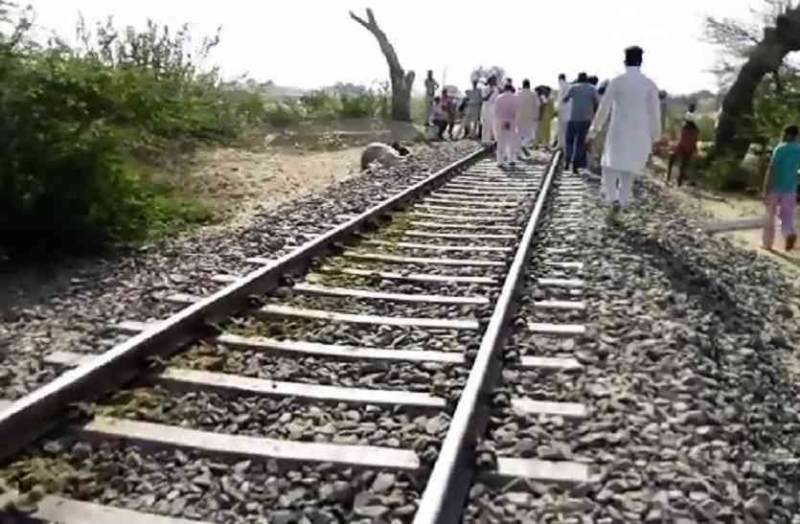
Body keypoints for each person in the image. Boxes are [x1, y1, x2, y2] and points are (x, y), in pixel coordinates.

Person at [589, 46, 661, 219]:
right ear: (641, 62)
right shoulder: (649, 84)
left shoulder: (617, 82)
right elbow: (655, 113)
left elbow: (603, 108)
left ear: (624, 61)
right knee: (628, 171)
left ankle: (612, 199)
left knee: (609, 167)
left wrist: (594, 130)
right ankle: (621, 203)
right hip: (639, 133)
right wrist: (656, 136)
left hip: (618, 131)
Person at [762, 124, 800, 251]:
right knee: (787, 215)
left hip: (775, 187)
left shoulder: (780, 149)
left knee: (769, 216)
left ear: (788, 134)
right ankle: (789, 234)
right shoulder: (799, 150)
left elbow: (771, 168)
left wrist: (766, 187)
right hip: (790, 188)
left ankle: (767, 244)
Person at [563, 72, 599, 174]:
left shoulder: (573, 88)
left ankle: (567, 162)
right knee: (580, 143)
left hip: (573, 118)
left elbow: (565, 99)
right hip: (585, 119)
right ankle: (575, 165)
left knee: (569, 141)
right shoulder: (592, 88)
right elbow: (596, 103)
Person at [667, 104, 699, 186]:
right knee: (684, 165)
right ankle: (679, 182)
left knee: (671, 160)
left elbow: (680, 138)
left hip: (681, 147)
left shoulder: (684, 128)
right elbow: (695, 140)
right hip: (690, 148)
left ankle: (668, 178)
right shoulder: (696, 130)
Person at [494, 82, 519, 168]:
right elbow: (518, 110)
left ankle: (500, 161)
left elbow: (496, 111)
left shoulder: (499, 98)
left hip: (501, 120)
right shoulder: (516, 98)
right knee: (512, 141)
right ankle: (511, 159)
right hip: (512, 120)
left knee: (501, 141)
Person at [516, 79, 540, 157]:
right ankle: (523, 145)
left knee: (519, 134)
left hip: (518, 116)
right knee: (530, 135)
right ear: (529, 85)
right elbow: (538, 104)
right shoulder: (533, 94)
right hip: (530, 116)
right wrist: (536, 115)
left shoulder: (518, 93)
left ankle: (518, 152)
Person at [481, 76, 500, 144]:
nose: (495, 82)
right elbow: (484, 99)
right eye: (494, 80)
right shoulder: (485, 88)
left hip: (494, 108)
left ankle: (495, 140)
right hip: (487, 108)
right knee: (486, 124)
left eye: (496, 80)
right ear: (490, 81)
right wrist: (490, 93)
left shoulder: (496, 89)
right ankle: (485, 140)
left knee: (494, 124)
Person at [557, 74, 571, 153]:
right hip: (568, 111)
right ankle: (563, 145)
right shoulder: (569, 86)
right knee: (566, 130)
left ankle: (561, 145)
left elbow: (561, 99)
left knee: (561, 129)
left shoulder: (562, 85)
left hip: (562, 110)